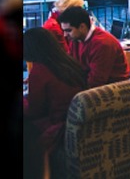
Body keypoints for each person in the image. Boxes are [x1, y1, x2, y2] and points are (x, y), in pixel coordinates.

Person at [23, 27, 87, 170]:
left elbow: (34, 111)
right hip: (75, 121)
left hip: (58, 125)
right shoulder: (68, 62)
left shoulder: (39, 70)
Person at [58, 6, 129, 88]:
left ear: (82, 27)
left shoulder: (102, 44)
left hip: (114, 90)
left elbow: (96, 82)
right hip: (95, 86)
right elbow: (71, 67)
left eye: (68, 31)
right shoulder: (76, 39)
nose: (65, 35)